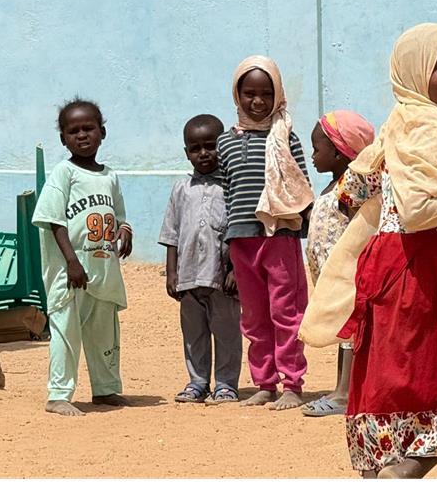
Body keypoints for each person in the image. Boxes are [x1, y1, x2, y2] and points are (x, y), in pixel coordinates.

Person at [300, 23, 437, 478]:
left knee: (397, 381)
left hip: (388, 268)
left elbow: (350, 192)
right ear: (415, 73)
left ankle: (388, 473)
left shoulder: (398, 124)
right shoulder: (435, 129)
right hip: (426, 269)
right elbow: (420, 210)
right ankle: (403, 474)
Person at [217, 56, 315, 411]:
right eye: (249, 93)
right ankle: (264, 382)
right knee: (254, 316)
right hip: (242, 240)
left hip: (279, 239)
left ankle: (292, 383)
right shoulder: (225, 143)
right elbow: (226, 193)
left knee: (285, 313)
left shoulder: (286, 138)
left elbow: (301, 186)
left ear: (277, 96)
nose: (257, 101)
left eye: (265, 93)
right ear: (237, 95)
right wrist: (226, 245)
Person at [32, 98, 133, 417]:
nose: (82, 135)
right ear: (63, 138)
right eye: (73, 131)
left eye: (88, 128)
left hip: (102, 272)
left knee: (104, 331)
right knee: (66, 331)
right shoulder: (64, 173)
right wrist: (71, 262)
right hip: (72, 275)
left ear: (102, 132)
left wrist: (125, 229)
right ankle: (58, 394)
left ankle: (105, 389)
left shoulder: (109, 176)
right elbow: (53, 219)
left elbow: (118, 213)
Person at [159, 114, 242, 405]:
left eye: (211, 146)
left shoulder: (232, 188)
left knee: (227, 332)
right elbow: (171, 234)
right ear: (186, 152)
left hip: (222, 279)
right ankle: (197, 381)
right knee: (194, 334)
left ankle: (227, 384)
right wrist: (172, 274)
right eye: (196, 148)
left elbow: (241, 232)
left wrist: (236, 271)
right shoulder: (182, 190)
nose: (204, 153)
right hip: (189, 276)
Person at [299, 110, 375, 418]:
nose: (313, 155)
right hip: (331, 277)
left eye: (318, 149)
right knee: (343, 334)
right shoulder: (333, 187)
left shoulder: (349, 190)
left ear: (340, 152)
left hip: (347, 276)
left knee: (349, 333)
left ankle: (345, 395)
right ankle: (344, 390)